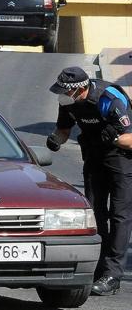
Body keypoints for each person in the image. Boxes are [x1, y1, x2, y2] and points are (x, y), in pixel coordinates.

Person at [47, 66, 132, 296]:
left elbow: (131, 138)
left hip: (120, 159)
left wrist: (114, 138)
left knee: (119, 215)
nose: (61, 96)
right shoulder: (68, 102)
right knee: (95, 214)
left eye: (65, 91)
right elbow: (63, 129)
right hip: (93, 157)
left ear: (80, 89)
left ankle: (113, 275)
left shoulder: (109, 98)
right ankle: (98, 267)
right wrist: (55, 140)